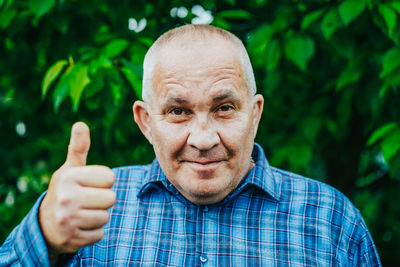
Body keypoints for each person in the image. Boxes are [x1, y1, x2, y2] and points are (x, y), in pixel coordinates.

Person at [0, 24, 381, 266]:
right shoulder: (88, 209)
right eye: (178, 111)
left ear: (255, 113)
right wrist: (44, 237)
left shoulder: (331, 221)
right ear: (146, 122)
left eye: (225, 107)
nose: (202, 139)